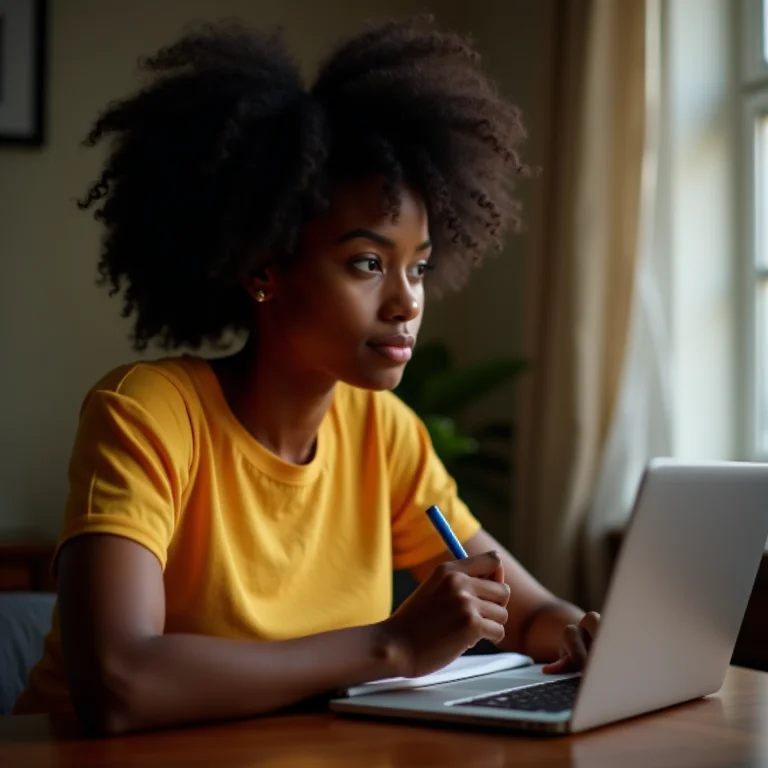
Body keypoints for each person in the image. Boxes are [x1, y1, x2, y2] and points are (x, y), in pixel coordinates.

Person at [14, 16, 599, 734]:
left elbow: (526, 611)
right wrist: (394, 644)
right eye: (367, 263)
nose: (407, 299)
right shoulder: (147, 415)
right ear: (264, 267)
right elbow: (119, 682)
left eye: (418, 266)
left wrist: (581, 633)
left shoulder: (384, 433)